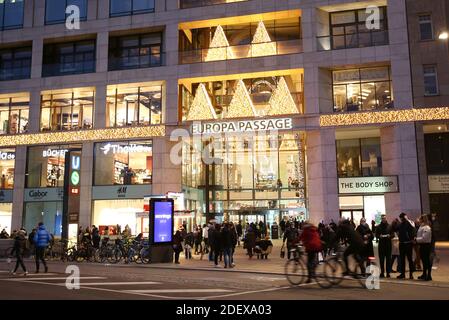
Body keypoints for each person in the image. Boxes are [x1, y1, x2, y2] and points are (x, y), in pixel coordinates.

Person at [395, 212, 416, 279]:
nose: (401, 219)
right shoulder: (400, 224)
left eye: (402, 218)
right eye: (401, 218)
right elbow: (396, 230)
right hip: (402, 244)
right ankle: (403, 274)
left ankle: (411, 274)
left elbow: (413, 230)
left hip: (408, 243)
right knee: (402, 260)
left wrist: (412, 239)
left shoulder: (409, 223)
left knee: (409, 259)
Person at [416, 215, 432, 281]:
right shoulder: (421, 226)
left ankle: (429, 276)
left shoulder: (427, 227)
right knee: (424, 261)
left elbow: (424, 238)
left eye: (420, 219)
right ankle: (424, 274)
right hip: (422, 245)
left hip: (426, 246)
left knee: (427, 261)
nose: (419, 220)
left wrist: (416, 239)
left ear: (423, 219)